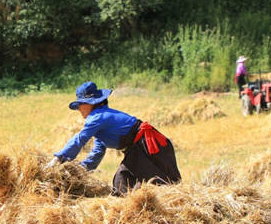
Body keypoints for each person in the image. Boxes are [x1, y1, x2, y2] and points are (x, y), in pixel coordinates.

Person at [51, 81, 181, 196]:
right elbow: (98, 150)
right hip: (136, 149)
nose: (79, 108)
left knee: (165, 184)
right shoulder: (100, 121)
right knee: (121, 182)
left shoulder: (97, 117)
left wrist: (58, 158)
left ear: (91, 104)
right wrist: (82, 170)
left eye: (81, 104)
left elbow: (79, 140)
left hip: (149, 145)